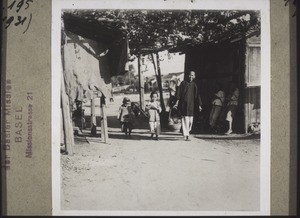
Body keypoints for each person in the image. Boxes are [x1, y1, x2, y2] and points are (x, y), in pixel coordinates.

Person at [174, 71, 202, 141]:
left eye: (192, 75)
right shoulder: (183, 83)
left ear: (194, 76)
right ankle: (186, 135)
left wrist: (199, 105)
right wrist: (177, 101)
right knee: (185, 120)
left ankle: (187, 132)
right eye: (190, 75)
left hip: (191, 106)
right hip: (184, 105)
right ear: (188, 75)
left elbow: (197, 95)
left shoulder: (194, 85)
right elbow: (179, 93)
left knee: (190, 121)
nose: (190, 77)